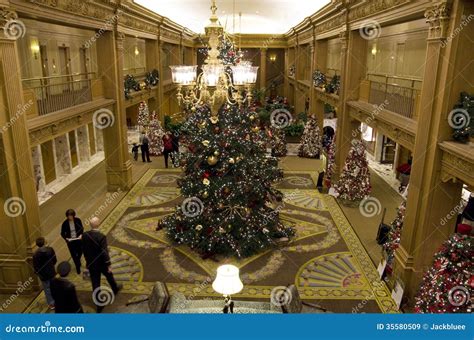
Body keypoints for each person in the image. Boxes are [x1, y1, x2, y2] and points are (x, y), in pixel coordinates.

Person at [82, 217, 121, 312]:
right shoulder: (101, 236)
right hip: (102, 263)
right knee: (109, 276)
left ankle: (99, 305)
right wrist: (108, 264)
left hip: (91, 263)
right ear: (98, 224)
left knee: (95, 283)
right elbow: (104, 252)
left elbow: (84, 249)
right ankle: (115, 289)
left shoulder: (85, 235)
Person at [32, 237, 57, 309]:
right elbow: (55, 260)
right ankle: (56, 300)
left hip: (43, 275)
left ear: (37, 244)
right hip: (51, 272)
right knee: (54, 286)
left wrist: (39, 274)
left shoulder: (36, 254)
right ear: (44, 242)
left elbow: (36, 267)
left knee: (47, 289)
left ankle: (51, 304)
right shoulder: (50, 250)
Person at [60, 209, 83, 274]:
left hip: (78, 239)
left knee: (80, 251)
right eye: (68, 216)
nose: (69, 217)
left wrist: (81, 235)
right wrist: (66, 238)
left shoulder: (78, 220)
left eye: (70, 216)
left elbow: (81, 228)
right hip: (70, 241)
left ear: (73, 215)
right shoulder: (65, 223)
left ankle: (77, 261)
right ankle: (77, 267)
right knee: (73, 255)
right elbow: (62, 233)